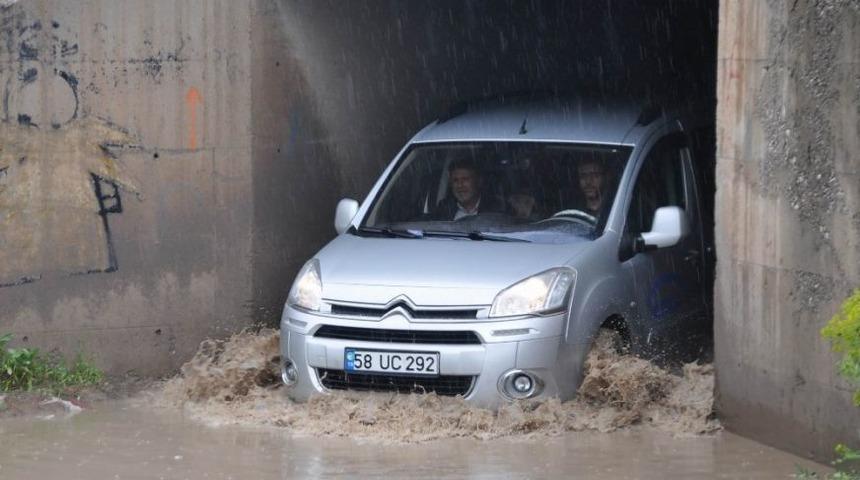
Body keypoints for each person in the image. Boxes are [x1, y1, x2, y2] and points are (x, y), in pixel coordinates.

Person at [431, 159, 501, 220]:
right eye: (455, 180)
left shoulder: (497, 209)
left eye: (465, 179)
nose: (460, 185)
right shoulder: (443, 209)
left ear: (479, 181)